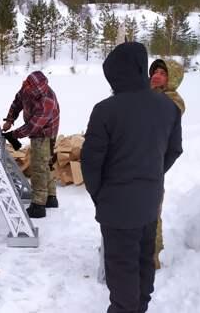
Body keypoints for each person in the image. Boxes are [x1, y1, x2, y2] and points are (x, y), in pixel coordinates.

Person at [81, 42, 182, 313]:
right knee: (142, 260)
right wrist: (151, 174)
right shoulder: (167, 107)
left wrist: (101, 195)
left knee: (122, 267)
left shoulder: (105, 110)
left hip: (117, 206)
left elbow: (90, 162)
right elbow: (174, 150)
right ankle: (140, 307)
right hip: (149, 201)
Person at [2, 71, 60, 218]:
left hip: (45, 131)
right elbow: (17, 102)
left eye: (27, 87)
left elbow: (33, 127)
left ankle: (38, 206)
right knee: (45, 163)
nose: (24, 88)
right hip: (36, 127)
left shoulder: (47, 100)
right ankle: (51, 197)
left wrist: (13, 135)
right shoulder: (27, 87)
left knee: (40, 165)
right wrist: (10, 120)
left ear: (35, 89)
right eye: (24, 85)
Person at [149, 58, 186, 270]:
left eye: (163, 74)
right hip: (135, 164)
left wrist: (158, 169)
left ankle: (152, 257)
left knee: (152, 213)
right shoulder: (144, 95)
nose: (156, 76)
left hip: (154, 166)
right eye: (155, 72)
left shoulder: (173, 103)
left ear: (172, 79)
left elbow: (174, 148)